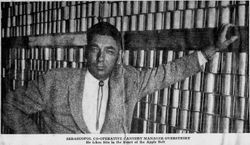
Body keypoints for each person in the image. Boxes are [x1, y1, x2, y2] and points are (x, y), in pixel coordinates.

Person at [2, 22, 238, 134]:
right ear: (86, 51)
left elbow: (169, 73)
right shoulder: (55, 81)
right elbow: (10, 106)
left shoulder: (129, 80)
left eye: (110, 51)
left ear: (119, 56)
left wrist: (213, 49)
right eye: (95, 49)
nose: (101, 58)